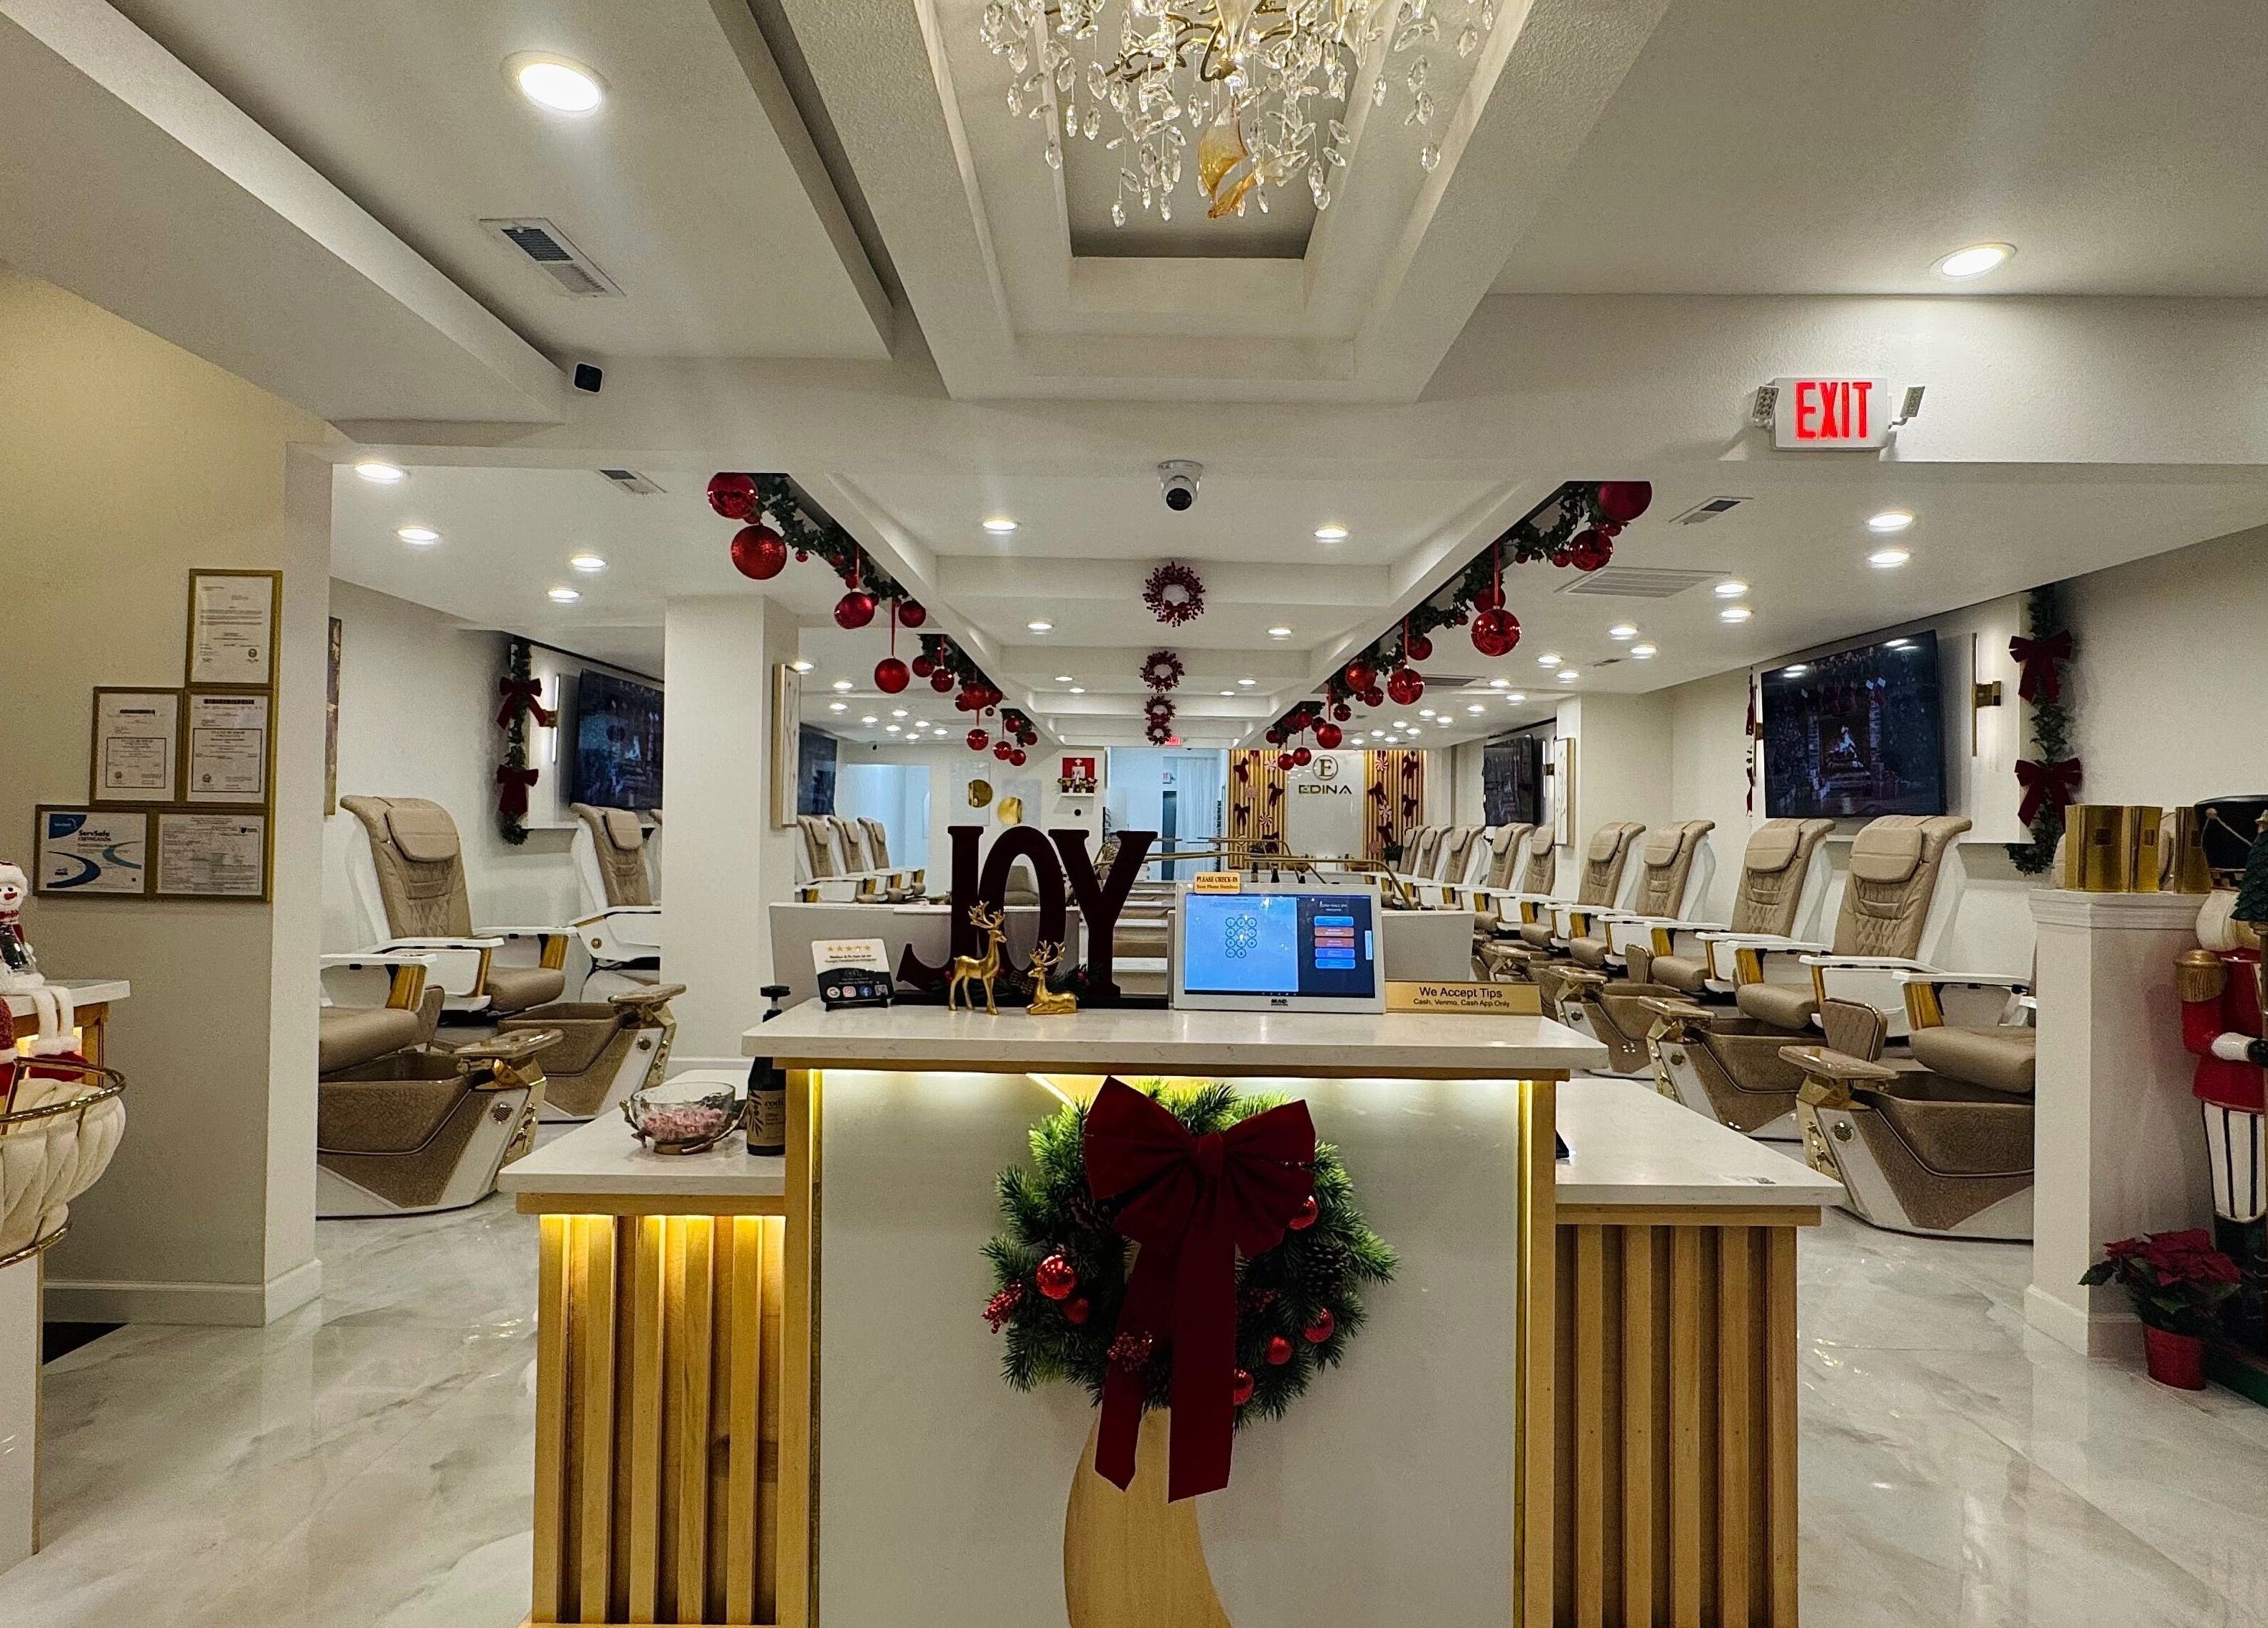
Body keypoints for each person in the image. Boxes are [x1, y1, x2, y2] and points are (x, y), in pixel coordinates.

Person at [2178, 800, 2268, 1345]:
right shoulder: (2209, 965)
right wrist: (2250, 1049)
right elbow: (2198, 1037)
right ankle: (2245, 1313)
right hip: (2235, 1095)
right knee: (2242, 1200)